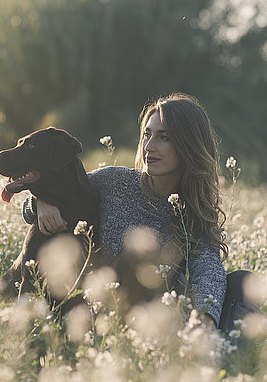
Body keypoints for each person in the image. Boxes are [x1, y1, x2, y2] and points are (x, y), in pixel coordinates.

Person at [22, 93, 230, 329]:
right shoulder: (113, 181)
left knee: (240, 281)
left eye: (164, 138)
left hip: (145, 321)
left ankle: (220, 354)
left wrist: (205, 322)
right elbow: (58, 198)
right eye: (147, 135)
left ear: (188, 145)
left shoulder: (191, 214)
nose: (149, 147)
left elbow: (208, 271)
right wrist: (40, 202)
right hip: (89, 313)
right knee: (138, 256)